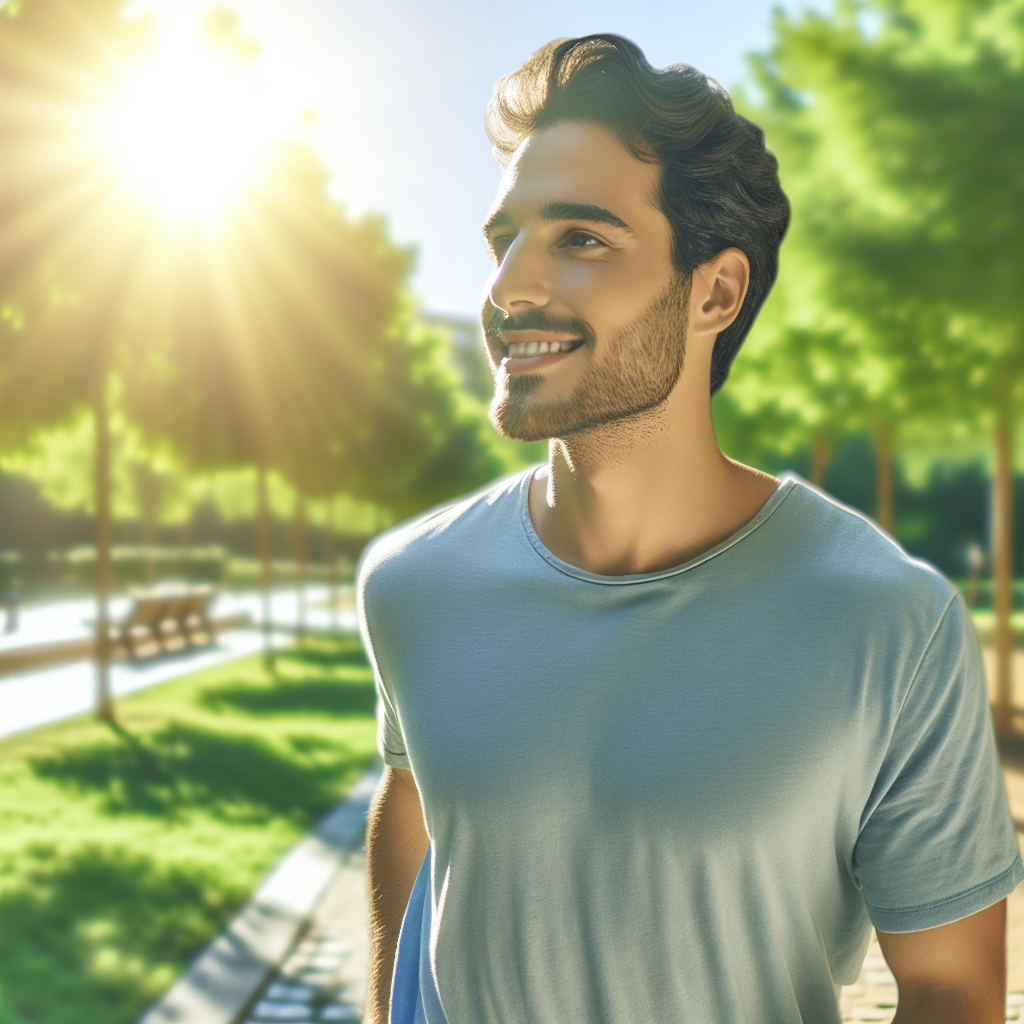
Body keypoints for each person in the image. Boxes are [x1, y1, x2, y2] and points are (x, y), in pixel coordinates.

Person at [358, 34, 1022, 1024]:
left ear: (713, 291)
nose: (508, 292)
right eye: (507, 240)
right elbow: (413, 803)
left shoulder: (887, 619)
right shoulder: (415, 584)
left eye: (579, 239)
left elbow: (948, 985)